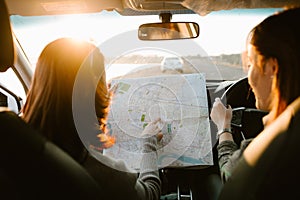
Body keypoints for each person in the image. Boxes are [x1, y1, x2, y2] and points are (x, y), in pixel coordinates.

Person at [22, 37, 163, 200]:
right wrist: (149, 144)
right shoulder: (107, 174)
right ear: (94, 97)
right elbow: (150, 194)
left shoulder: (12, 143)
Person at [210, 7, 300, 183]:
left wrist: (224, 128)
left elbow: (230, 175)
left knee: (209, 182)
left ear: (272, 68)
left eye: (251, 63)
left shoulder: (272, 147)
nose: (249, 77)